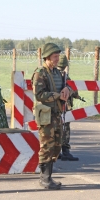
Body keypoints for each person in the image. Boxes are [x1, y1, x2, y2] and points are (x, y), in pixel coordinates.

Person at [32, 43, 72, 190]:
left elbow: (65, 86)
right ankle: (44, 178)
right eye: (55, 56)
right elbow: (39, 94)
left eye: (57, 56)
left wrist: (68, 90)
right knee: (46, 146)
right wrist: (57, 96)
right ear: (47, 57)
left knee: (56, 145)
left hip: (56, 114)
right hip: (46, 115)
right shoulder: (40, 73)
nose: (57, 59)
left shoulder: (57, 73)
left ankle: (49, 177)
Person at [57, 54, 80, 161]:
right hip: (65, 106)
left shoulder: (53, 75)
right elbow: (73, 90)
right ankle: (65, 151)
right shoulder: (65, 76)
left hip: (55, 106)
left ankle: (56, 152)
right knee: (65, 128)